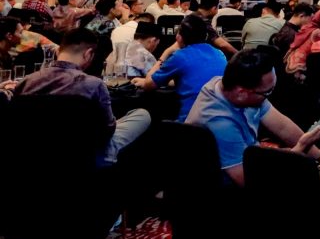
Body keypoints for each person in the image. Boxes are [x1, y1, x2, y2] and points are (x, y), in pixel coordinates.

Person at [186, 49, 320, 187]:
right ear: (241, 93)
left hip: (252, 161)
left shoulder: (235, 88)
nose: (269, 95)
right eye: (267, 92)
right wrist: (299, 149)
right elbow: (250, 181)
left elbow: (283, 127)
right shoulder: (220, 123)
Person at [15, 28, 151, 165]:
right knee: (142, 115)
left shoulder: (26, 82)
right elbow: (108, 130)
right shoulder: (94, 85)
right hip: (86, 155)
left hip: (35, 154)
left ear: (57, 51)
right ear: (88, 54)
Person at [132, 14, 228, 121]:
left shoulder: (180, 56)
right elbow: (192, 79)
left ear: (179, 37)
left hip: (191, 122)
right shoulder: (220, 54)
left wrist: (167, 52)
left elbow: (148, 85)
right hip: (221, 117)